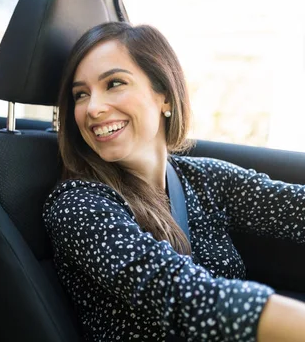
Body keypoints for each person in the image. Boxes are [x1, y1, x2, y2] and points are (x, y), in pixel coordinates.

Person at [43, 21, 305, 341]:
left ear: (164, 96)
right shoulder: (78, 206)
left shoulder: (202, 178)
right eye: (81, 95)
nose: (93, 108)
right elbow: (182, 295)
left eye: (113, 84)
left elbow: (292, 206)